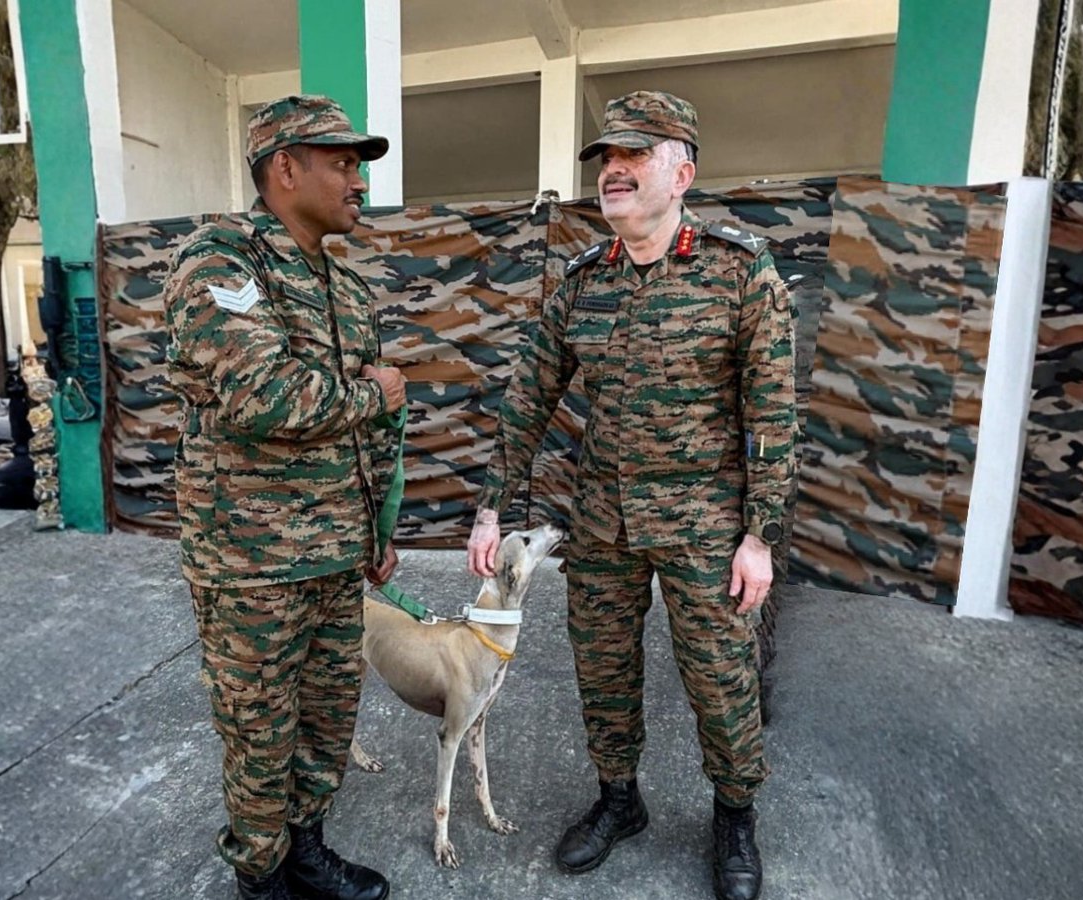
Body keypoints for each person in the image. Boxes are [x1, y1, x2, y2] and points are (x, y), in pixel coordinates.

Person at [467, 91, 795, 900]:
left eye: (634, 155)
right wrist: (492, 506)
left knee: (720, 679)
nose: (613, 170)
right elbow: (529, 396)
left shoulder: (739, 271)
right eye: (606, 158)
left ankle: (735, 816)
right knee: (603, 668)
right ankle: (620, 799)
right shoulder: (584, 281)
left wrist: (759, 536)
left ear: (682, 173)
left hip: (704, 525)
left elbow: (772, 415)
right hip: (602, 523)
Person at [165, 94, 405, 900]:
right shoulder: (221, 264)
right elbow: (264, 397)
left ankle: (306, 849)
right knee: (259, 734)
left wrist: (377, 528)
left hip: (334, 553)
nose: (358, 181)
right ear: (285, 169)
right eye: (343, 164)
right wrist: (373, 394)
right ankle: (260, 877)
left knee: (328, 719)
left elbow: (369, 433)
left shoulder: (347, 287)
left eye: (359, 166)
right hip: (251, 564)